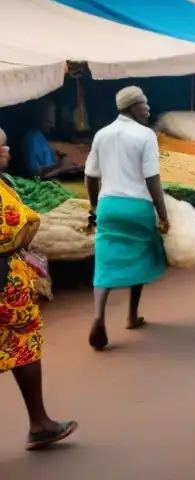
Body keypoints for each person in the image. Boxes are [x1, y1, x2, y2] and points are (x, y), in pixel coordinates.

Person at [0, 125, 78, 450]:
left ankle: (41, 424)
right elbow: (11, 225)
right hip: (5, 283)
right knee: (23, 345)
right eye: (1, 146)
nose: (7, 151)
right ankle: (40, 423)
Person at [85, 86, 170, 352]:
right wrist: (162, 213)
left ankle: (98, 316)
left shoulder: (102, 134)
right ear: (132, 106)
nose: (148, 107)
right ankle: (131, 316)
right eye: (144, 103)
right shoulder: (145, 135)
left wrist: (94, 205)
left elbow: (90, 175)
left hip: (109, 206)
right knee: (142, 256)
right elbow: (152, 178)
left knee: (105, 263)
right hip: (137, 206)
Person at [20, 100, 83, 179]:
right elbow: (36, 174)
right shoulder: (31, 138)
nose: (52, 120)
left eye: (53, 112)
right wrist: (62, 169)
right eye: (48, 114)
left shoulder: (41, 136)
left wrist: (61, 164)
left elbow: (48, 168)